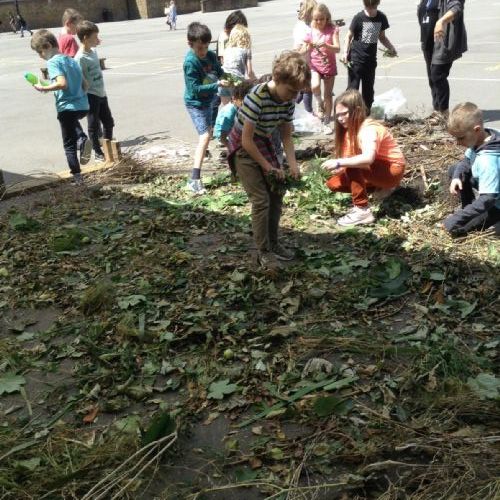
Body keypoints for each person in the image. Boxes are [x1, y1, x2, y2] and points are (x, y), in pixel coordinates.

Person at [227, 51, 310, 269]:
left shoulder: (288, 101)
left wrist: (293, 165)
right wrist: (268, 167)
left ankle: (274, 243)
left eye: (297, 92)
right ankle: (262, 251)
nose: (294, 96)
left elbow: (286, 136)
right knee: (261, 200)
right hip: (243, 147)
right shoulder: (257, 98)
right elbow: (246, 141)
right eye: (291, 90)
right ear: (277, 79)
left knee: (276, 193)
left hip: (264, 143)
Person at [322, 89, 405, 226]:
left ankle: (362, 211)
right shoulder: (349, 130)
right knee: (333, 184)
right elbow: (349, 158)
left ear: (358, 110)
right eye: (337, 115)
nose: (340, 119)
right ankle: (380, 190)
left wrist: (339, 162)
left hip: (392, 170)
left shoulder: (368, 129)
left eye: (344, 114)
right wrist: (340, 168)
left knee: (352, 165)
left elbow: (368, 158)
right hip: (374, 170)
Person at [30, 30, 91, 184]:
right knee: (73, 123)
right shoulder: (71, 60)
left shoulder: (53, 62)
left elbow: (62, 84)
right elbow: (85, 85)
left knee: (69, 145)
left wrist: (43, 87)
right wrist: (76, 96)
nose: (40, 56)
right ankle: (82, 139)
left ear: (47, 46)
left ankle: (77, 177)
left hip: (66, 107)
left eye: (40, 52)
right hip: (82, 106)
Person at [183, 22, 228, 194]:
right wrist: (217, 85)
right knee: (205, 136)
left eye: (206, 47)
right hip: (195, 104)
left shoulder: (210, 56)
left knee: (208, 134)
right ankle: (194, 179)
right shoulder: (190, 63)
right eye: (199, 48)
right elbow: (194, 89)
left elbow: (220, 71)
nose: (203, 51)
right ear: (190, 44)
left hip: (209, 101)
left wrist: (232, 79)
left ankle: (206, 156)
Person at [443, 103, 500, 236]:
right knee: (455, 169)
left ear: (477, 129)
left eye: (461, 138)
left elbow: (488, 199)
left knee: (458, 229)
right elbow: (467, 160)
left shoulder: (488, 161)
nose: (457, 142)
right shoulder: (484, 136)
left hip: (495, 203)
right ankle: (468, 207)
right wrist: (457, 177)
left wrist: (457, 218)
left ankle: (490, 217)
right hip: (491, 190)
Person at [341, 0, 397, 113]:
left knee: (368, 91)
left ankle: (366, 114)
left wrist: (391, 47)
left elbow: (382, 37)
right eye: (367, 7)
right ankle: (350, 113)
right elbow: (348, 36)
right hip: (356, 60)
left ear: (377, 4)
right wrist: (345, 52)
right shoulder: (358, 18)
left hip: (370, 61)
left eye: (373, 7)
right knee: (352, 89)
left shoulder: (381, 17)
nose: (370, 10)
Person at [417, 0, 467, 126]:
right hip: (428, 41)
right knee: (432, 78)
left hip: (442, 40)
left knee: (437, 75)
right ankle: (437, 110)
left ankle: (444, 113)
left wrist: (441, 21)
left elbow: (456, 8)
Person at [75, 21, 115, 162]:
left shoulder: (93, 52)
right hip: (91, 96)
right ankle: (98, 152)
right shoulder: (80, 58)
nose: (98, 39)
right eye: (95, 37)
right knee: (93, 125)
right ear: (86, 38)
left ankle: (108, 147)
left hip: (101, 93)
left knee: (109, 122)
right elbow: (79, 79)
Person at [303, 3, 340, 134]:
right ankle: (319, 102)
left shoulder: (332, 29)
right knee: (314, 86)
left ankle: (326, 121)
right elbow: (305, 47)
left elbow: (337, 48)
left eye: (322, 19)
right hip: (315, 65)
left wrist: (326, 45)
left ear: (327, 17)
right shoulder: (311, 30)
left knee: (328, 95)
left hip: (329, 66)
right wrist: (304, 48)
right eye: (316, 19)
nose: (319, 22)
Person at [58, 8, 89, 159]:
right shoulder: (69, 39)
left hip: (64, 80)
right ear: (69, 23)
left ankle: (80, 139)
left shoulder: (60, 37)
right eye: (77, 25)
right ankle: (82, 138)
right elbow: (73, 62)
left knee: (68, 113)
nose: (79, 29)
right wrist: (82, 80)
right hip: (73, 81)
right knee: (75, 111)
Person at [219, 24, 256, 105]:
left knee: (227, 108)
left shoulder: (227, 49)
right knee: (240, 106)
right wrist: (255, 80)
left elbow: (226, 65)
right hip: (236, 80)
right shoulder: (246, 50)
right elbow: (250, 72)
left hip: (223, 78)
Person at [293, 0, 317, 115]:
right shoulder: (301, 27)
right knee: (307, 89)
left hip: (311, 61)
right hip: (303, 62)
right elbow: (298, 49)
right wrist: (310, 46)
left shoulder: (309, 25)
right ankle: (309, 112)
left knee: (304, 90)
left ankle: (291, 107)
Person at [214, 80, 253, 147]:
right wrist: (231, 147)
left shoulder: (238, 107)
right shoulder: (229, 112)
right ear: (234, 98)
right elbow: (222, 134)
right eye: (244, 101)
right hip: (224, 135)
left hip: (232, 131)